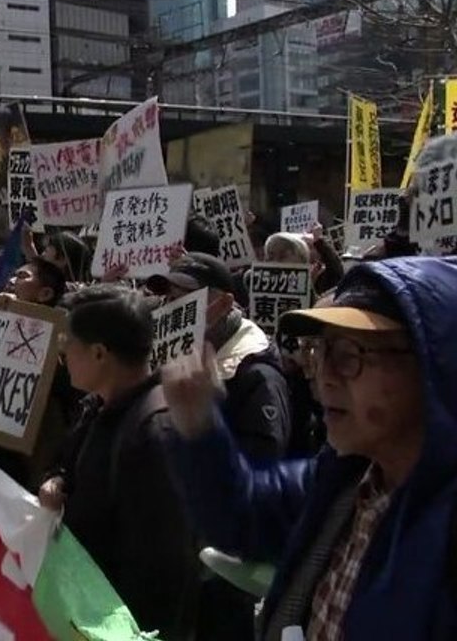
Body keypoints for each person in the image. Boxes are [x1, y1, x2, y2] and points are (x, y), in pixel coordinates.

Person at [162, 256, 457, 641]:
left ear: (435, 366)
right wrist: (199, 427)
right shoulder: (343, 478)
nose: (323, 377)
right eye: (321, 352)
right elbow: (242, 515)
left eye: (350, 356)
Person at [38, 285, 201, 639]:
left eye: (69, 344)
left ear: (99, 353)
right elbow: (66, 462)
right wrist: (58, 481)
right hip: (84, 611)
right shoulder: (97, 407)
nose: (62, 354)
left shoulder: (156, 432)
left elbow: (166, 567)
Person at [147, 253, 291, 460]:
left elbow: (260, 466)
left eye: (186, 300)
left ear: (224, 304)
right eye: (168, 300)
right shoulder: (164, 360)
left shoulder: (257, 373)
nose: (172, 310)